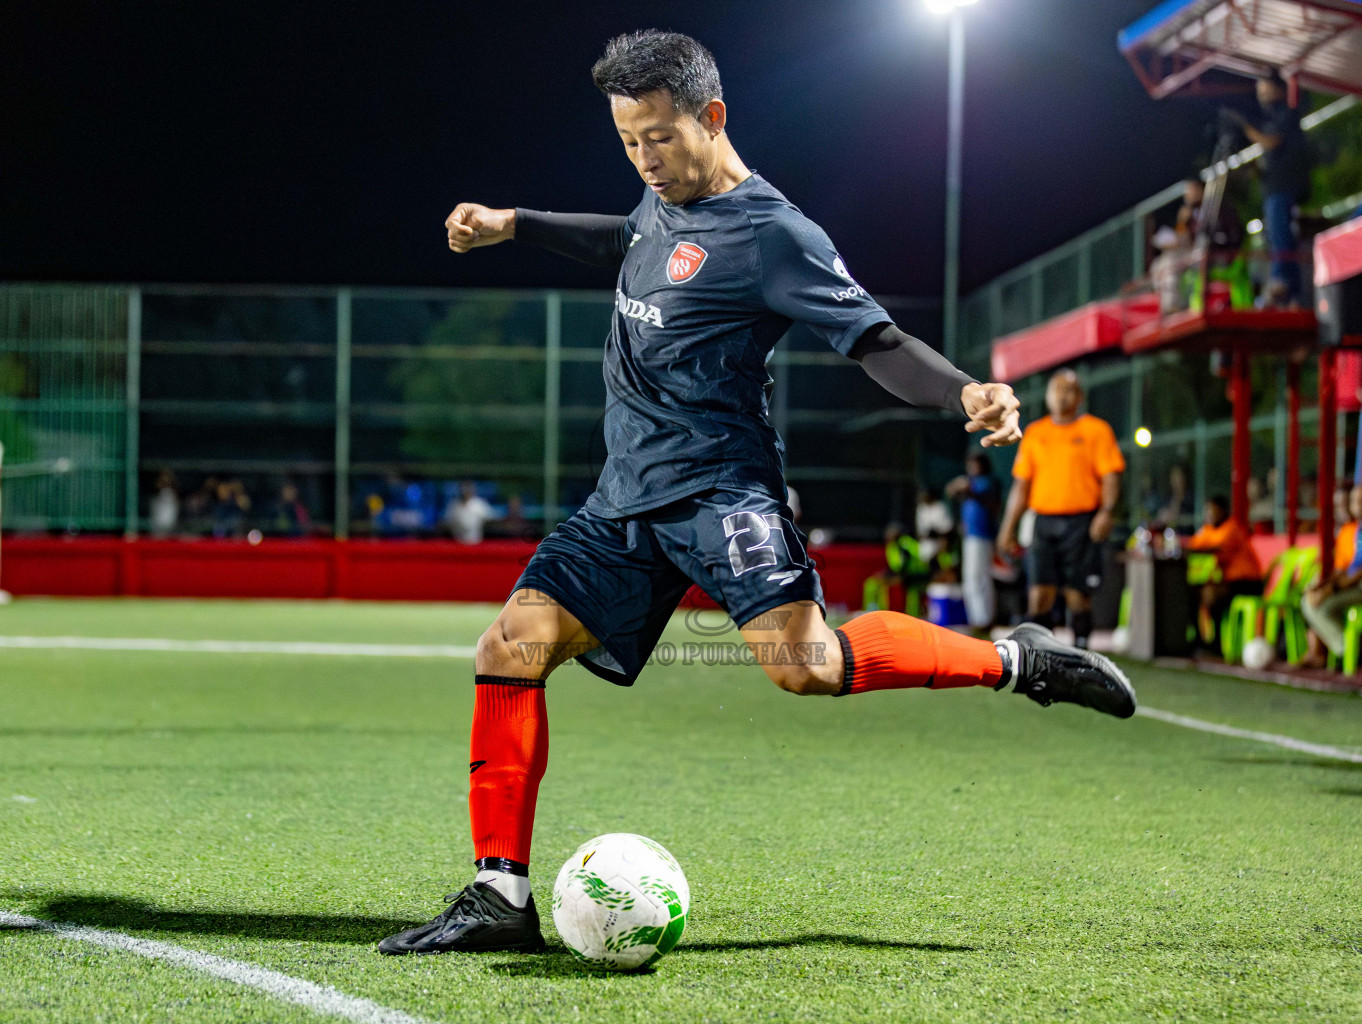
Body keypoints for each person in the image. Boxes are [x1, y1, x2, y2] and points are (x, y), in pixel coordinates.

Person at [377, 30, 1136, 958]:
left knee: (805, 666)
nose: (645, 158)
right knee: (510, 645)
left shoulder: (776, 234)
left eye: (661, 136)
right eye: (628, 141)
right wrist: (516, 224)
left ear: (713, 117)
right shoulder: (659, 198)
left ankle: (1019, 660)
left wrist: (964, 392)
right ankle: (501, 896)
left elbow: (877, 342)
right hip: (625, 498)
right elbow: (626, 240)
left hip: (722, 492)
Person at [996, 369, 1125, 650]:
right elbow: (1021, 486)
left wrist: (1106, 512)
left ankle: (1080, 653)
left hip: (1082, 522)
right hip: (1043, 522)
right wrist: (1008, 528)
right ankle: (1040, 655)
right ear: (1047, 396)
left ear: (1080, 397)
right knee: (1039, 593)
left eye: (1069, 390)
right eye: (1056, 389)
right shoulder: (1035, 433)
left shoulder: (1096, 430)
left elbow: (1110, 476)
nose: (1062, 396)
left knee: (1077, 593)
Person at [1225, 76, 1308, 307]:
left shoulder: (1286, 113)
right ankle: (1290, 292)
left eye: (1264, 85)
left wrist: (1245, 127)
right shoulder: (1270, 115)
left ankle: (1282, 282)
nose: (1260, 91)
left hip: (1283, 186)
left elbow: (1272, 141)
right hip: (1272, 187)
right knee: (1275, 235)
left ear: (1278, 87)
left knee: (1281, 235)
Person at [1301, 484, 1362, 663]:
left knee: (1323, 605)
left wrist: (1333, 589)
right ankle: (1347, 649)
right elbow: (1348, 568)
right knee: (1309, 601)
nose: (1359, 505)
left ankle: (1349, 652)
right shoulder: (1361, 530)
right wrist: (1321, 586)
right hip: (1359, 585)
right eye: (1355, 501)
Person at [1185, 496, 1263, 650]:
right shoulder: (1209, 529)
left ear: (1222, 512)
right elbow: (1193, 545)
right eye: (1207, 511)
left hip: (1248, 583)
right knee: (1194, 593)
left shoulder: (1232, 528)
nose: (1209, 514)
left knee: (1213, 595)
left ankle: (1217, 644)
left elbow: (1215, 548)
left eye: (1212, 511)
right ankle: (1199, 639)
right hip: (1228, 581)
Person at [946, 453, 1000, 631]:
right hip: (969, 535)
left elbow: (990, 502)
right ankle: (975, 618)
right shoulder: (969, 482)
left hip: (983, 535)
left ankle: (985, 619)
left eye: (975, 464)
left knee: (980, 577)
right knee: (970, 577)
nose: (972, 467)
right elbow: (950, 490)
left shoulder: (988, 482)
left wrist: (967, 488)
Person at [150, 469, 179, 538]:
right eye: (163, 480)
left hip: (170, 528)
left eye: (167, 479)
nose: (165, 481)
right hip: (157, 528)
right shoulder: (156, 494)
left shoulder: (171, 493)